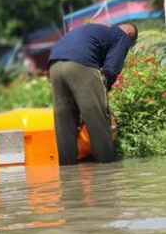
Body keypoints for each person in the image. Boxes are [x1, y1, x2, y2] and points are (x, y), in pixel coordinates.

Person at [48, 22, 138, 165]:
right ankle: (107, 165)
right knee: (96, 117)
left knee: (64, 121)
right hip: (80, 63)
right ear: (130, 35)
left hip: (54, 65)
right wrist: (102, 90)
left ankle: (67, 169)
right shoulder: (122, 37)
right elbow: (111, 68)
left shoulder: (99, 31)